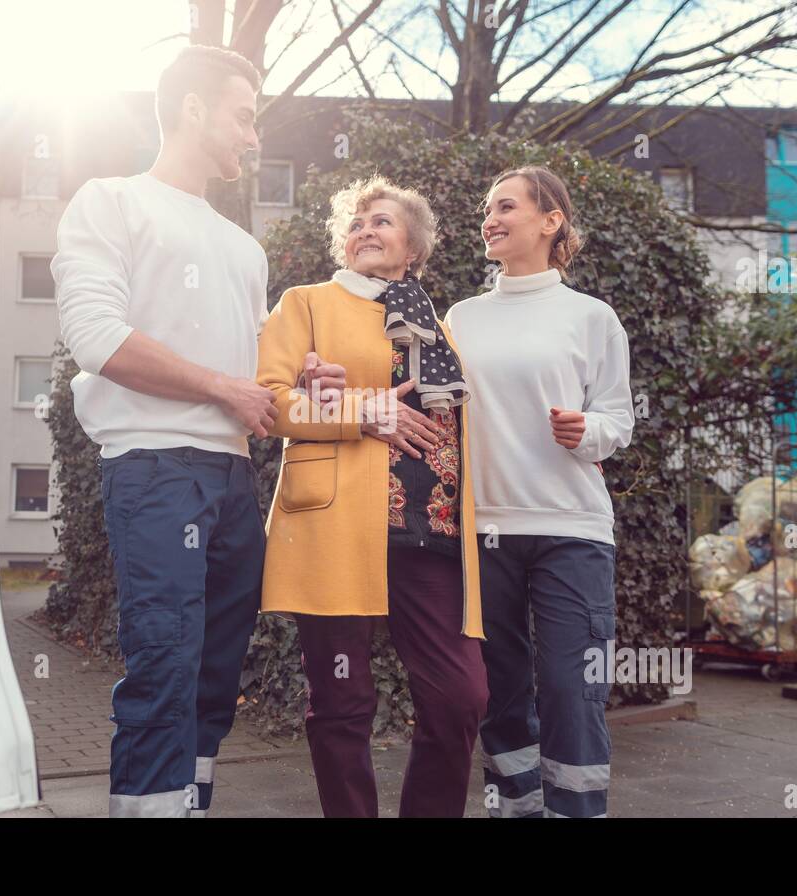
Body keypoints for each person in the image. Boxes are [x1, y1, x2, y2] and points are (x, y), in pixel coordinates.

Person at [51, 45, 277, 818]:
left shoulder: (247, 249)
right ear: (192, 108)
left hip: (234, 478)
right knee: (165, 664)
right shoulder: (109, 200)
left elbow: (256, 372)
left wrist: (294, 381)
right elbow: (97, 338)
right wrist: (223, 388)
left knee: (216, 674)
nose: (254, 137)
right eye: (245, 117)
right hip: (153, 468)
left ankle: (191, 805)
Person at [255, 175, 489, 817]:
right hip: (335, 525)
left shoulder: (437, 326)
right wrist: (359, 410)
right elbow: (268, 403)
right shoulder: (305, 304)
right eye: (356, 223)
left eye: (381, 221)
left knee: (460, 697)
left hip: (431, 533)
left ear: (412, 247)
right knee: (343, 701)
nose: (365, 230)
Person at [446, 165, 634, 818]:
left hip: (571, 529)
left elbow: (618, 419)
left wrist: (588, 431)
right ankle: (519, 811)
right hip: (483, 530)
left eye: (506, 207)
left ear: (550, 221)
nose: (489, 220)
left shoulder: (591, 317)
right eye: (486, 210)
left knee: (567, 687)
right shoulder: (460, 318)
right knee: (496, 690)